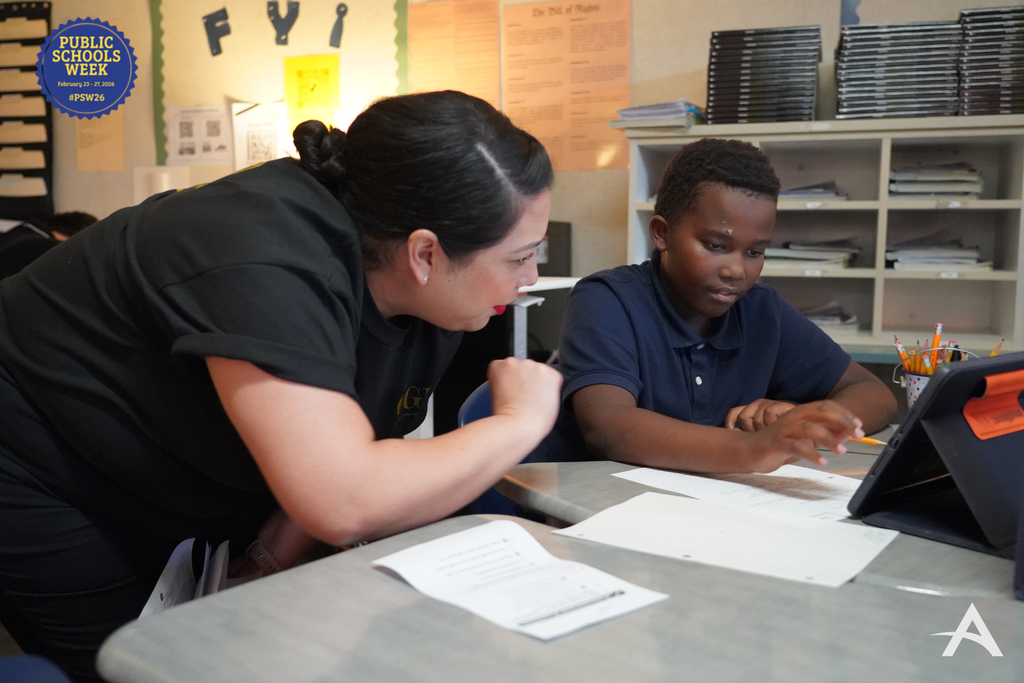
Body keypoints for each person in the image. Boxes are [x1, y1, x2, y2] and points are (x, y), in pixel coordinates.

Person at [0, 91, 562, 682]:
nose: (530, 279)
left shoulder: (438, 300)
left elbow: (342, 442)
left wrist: (267, 561)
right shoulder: (262, 251)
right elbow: (343, 496)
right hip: (43, 461)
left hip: (182, 466)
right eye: (520, 257)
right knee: (148, 667)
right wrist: (518, 421)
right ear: (425, 253)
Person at [558, 137, 897, 473]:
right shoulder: (607, 300)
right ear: (662, 233)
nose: (736, 270)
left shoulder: (762, 311)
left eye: (755, 252)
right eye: (716, 245)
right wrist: (751, 449)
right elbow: (608, 427)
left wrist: (797, 422)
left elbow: (874, 394)